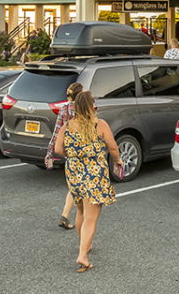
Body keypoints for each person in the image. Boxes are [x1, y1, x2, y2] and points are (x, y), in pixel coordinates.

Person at [53, 91, 121, 273]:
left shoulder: (67, 126)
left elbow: (58, 149)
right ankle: (83, 255)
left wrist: (73, 155)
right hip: (95, 175)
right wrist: (118, 160)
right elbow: (113, 147)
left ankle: (85, 244)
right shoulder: (100, 124)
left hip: (74, 173)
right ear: (92, 106)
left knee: (81, 210)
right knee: (91, 218)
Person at [45, 82, 85, 229]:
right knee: (81, 187)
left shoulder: (64, 109)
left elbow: (57, 132)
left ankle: (65, 215)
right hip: (84, 152)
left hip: (69, 152)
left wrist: (50, 152)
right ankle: (79, 220)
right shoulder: (85, 109)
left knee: (74, 185)